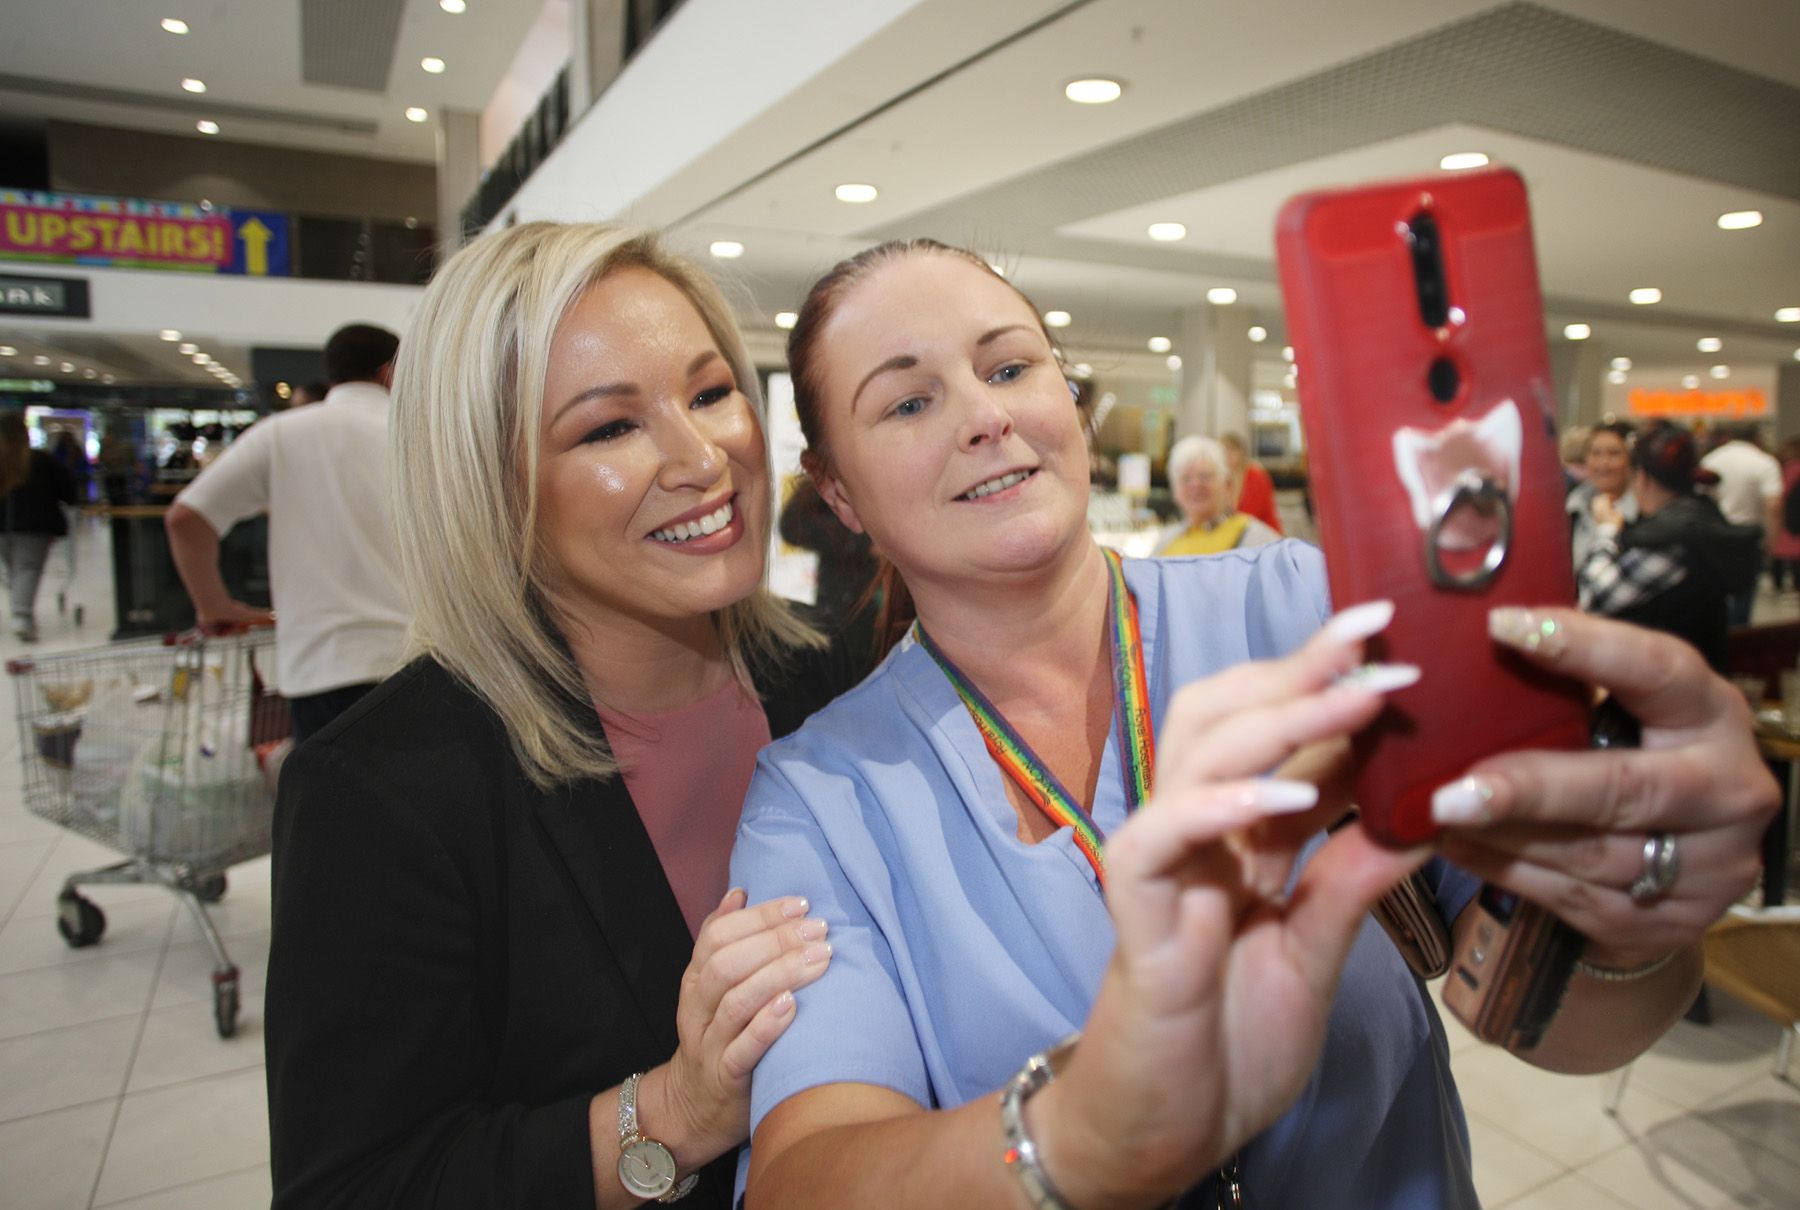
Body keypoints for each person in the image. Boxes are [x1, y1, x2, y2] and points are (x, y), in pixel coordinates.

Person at [730, 239, 1777, 1208]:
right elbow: (802, 1172)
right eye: (909, 402)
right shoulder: (823, 799)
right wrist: (1083, 1133)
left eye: (1010, 367)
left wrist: (1630, 915)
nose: (984, 416)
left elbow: (1545, 1014)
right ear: (840, 492)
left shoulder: (1310, 613)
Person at [264, 222, 863, 1208]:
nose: (702, 457)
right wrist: (676, 1111)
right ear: (493, 489)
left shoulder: (831, 682)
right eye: (609, 428)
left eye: (711, 393)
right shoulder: (383, 791)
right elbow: (355, 1186)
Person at [165, 323, 411, 742]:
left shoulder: (282, 434)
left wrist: (214, 607)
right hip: (418, 663)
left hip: (320, 667)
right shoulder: (419, 436)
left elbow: (185, 519)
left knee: (331, 784)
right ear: (391, 371)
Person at [1581, 424, 1761, 672]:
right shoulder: (1702, 516)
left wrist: (1606, 529)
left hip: (1668, 684)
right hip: (1699, 674)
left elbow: (1594, 598)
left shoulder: (1669, 538)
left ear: (1641, 477)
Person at [0, 411, 77, 641]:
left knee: (15, 569)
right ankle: (22, 616)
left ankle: (22, 613)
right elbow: (68, 489)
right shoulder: (41, 460)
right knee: (27, 568)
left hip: (4, 528)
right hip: (36, 526)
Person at [1700, 421, 1781, 625]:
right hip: (1749, 535)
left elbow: (1699, 497)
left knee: (1714, 590)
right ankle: (1739, 635)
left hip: (1715, 532)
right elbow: (1773, 505)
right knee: (1744, 594)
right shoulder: (1764, 462)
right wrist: (1773, 539)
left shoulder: (1712, 459)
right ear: (1757, 438)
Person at [1153, 434, 1280, 556]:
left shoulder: (1256, 539)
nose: (1195, 485)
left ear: (1227, 485)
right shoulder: (1165, 541)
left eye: (1204, 476)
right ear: (1174, 490)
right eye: (1186, 479)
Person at [1565, 420, 1636, 571]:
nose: (1603, 463)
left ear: (1631, 459)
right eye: (1595, 453)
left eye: (1614, 454)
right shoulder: (1572, 507)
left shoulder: (1643, 513)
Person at [1219, 429, 1283, 535]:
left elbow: (1252, 515)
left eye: (1231, 450)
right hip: (1240, 534)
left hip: (1265, 534)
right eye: (1223, 451)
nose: (1227, 454)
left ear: (1241, 452)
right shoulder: (1224, 479)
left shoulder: (1256, 476)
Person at [1769, 436, 1800, 593]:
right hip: (1793, 518)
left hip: (1787, 518)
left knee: (1780, 551)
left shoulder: (1789, 469)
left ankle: (1779, 585)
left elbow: (1779, 493)